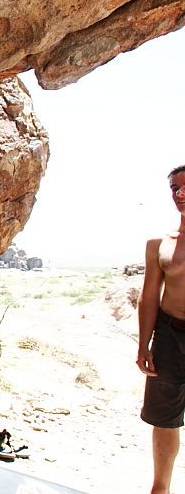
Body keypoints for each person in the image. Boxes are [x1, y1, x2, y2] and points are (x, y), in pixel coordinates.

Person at [137, 164, 185, 494]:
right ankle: (161, 489)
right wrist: (144, 345)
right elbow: (150, 296)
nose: (179, 193)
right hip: (170, 337)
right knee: (163, 418)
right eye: (174, 188)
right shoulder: (160, 244)